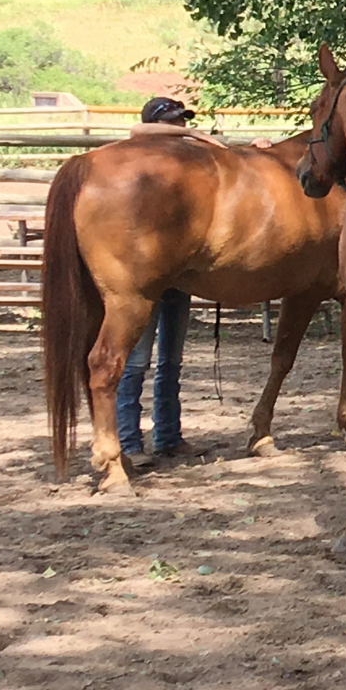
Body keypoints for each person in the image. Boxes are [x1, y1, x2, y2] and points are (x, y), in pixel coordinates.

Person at [118, 97, 208, 463]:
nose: (181, 130)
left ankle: (168, 435)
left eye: (183, 122)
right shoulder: (136, 165)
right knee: (136, 361)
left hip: (178, 277)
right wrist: (198, 134)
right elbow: (138, 129)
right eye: (173, 123)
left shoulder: (183, 173)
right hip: (145, 277)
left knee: (171, 360)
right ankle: (129, 442)